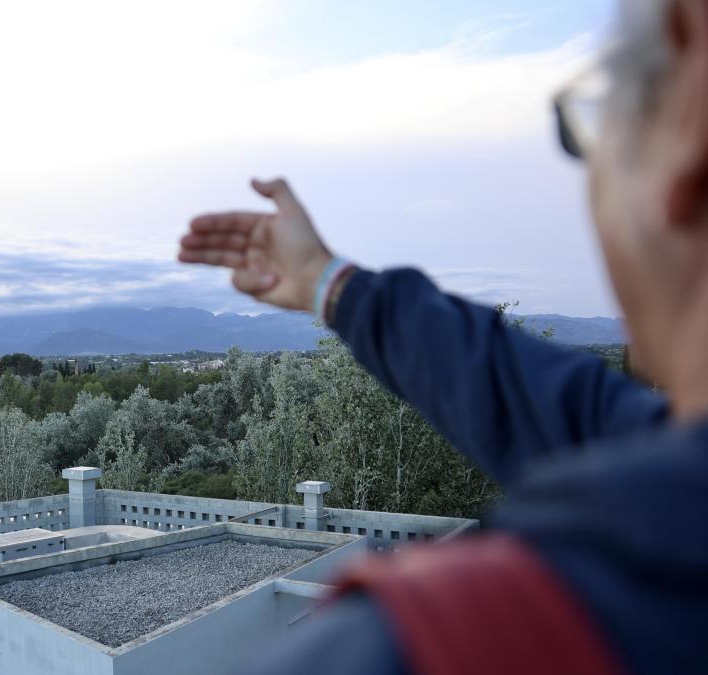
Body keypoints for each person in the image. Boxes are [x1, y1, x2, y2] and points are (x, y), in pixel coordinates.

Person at [178, 1, 706, 673]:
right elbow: (528, 395)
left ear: (689, 111)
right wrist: (323, 280)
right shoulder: (653, 460)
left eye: (589, 128)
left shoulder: (428, 645)